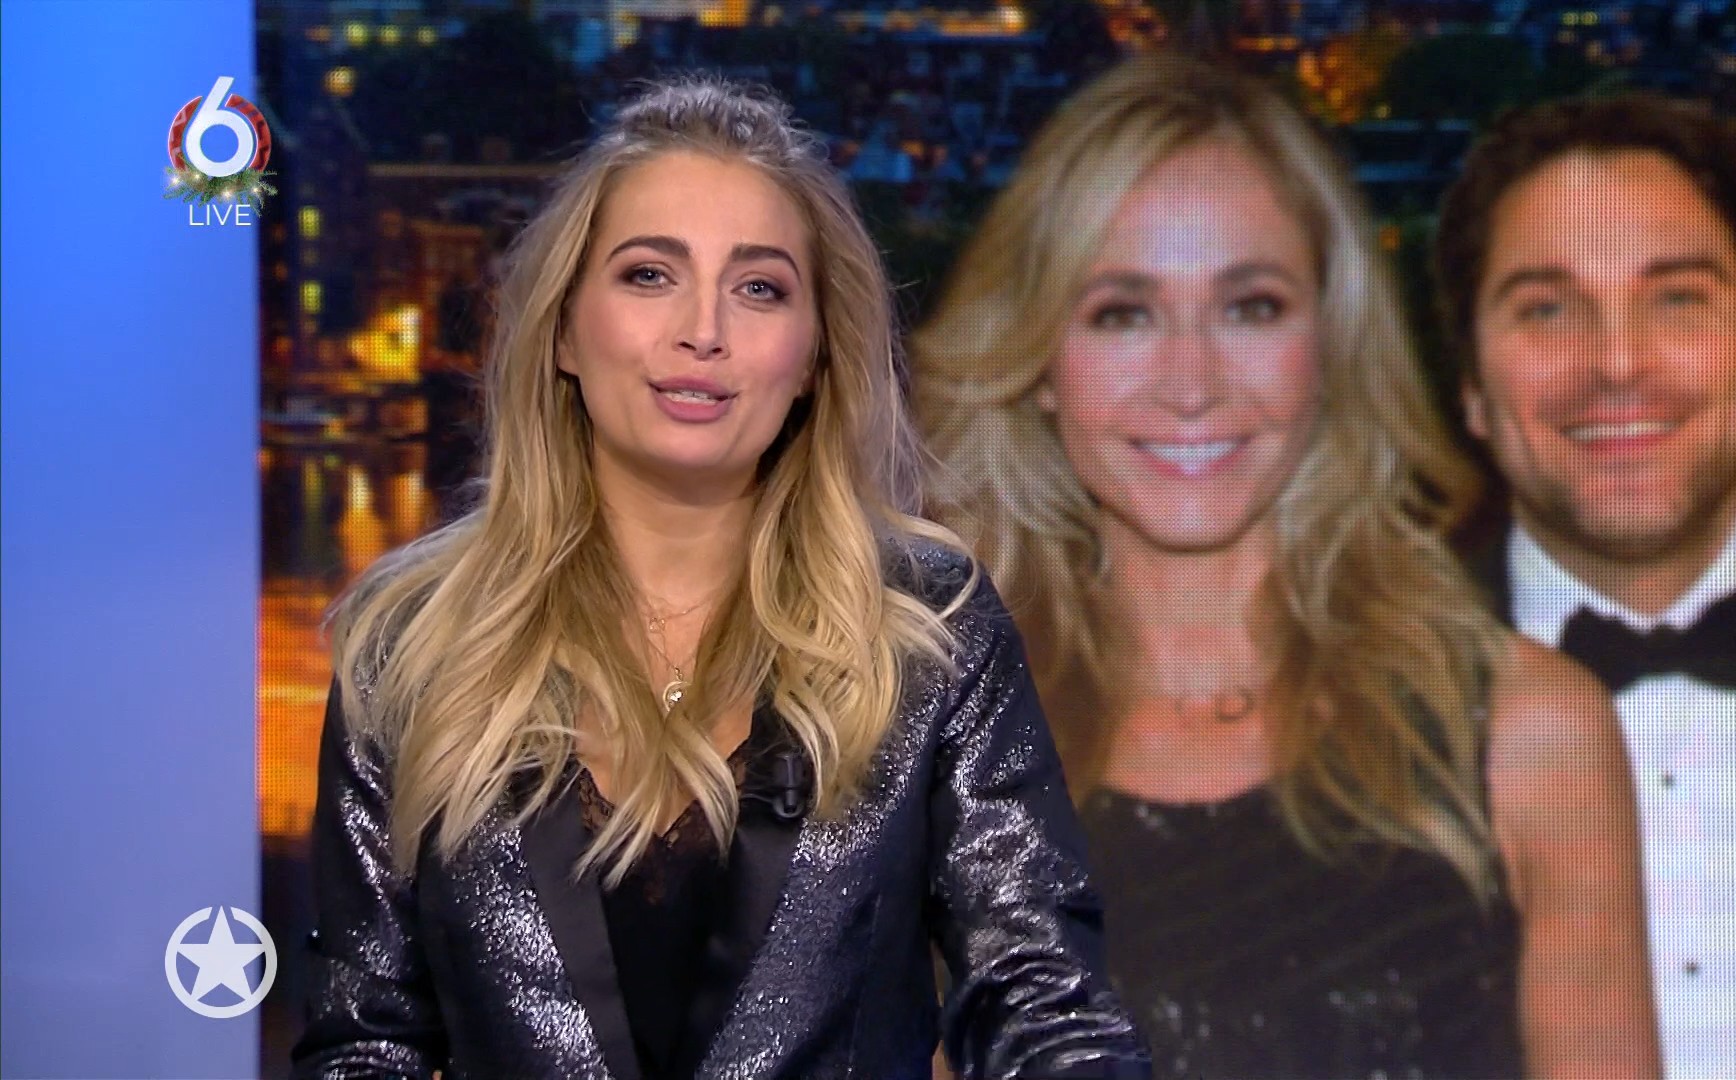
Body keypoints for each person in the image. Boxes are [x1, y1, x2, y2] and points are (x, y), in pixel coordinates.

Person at [292, 76, 1151, 1080]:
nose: (703, 329)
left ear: (815, 357)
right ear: (563, 330)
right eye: (650, 274)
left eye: (759, 289)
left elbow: (1041, 1000)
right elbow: (365, 1044)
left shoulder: (929, 629)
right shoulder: (413, 645)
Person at [913, 55, 1660, 1079]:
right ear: (1041, 360)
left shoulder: (1533, 736)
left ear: (1331, 343)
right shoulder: (939, 759)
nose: (1191, 384)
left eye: (1251, 306)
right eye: (1122, 312)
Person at [1434, 92, 1736, 1079]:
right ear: (1473, 390)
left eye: (1678, 300)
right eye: (1546, 308)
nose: (1617, 364)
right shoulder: (1337, 709)